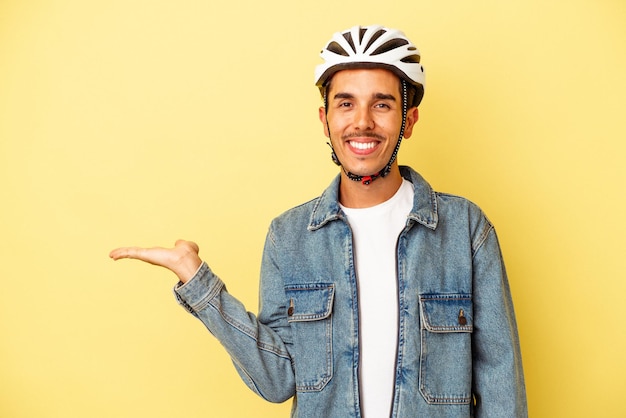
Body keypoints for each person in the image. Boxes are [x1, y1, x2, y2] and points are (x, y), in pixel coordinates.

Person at [110, 24, 527, 417]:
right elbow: (278, 380)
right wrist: (196, 279)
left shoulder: (465, 229)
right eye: (346, 103)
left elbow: (500, 379)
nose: (362, 121)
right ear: (324, 120)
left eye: (381, 104)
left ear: (409, 121)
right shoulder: (289, 236)